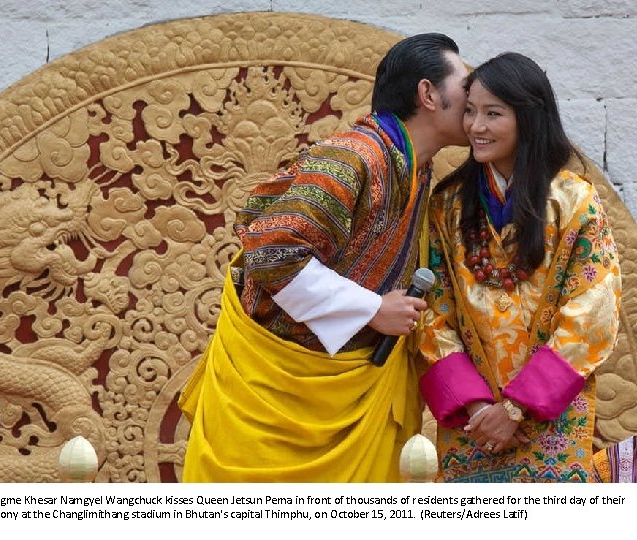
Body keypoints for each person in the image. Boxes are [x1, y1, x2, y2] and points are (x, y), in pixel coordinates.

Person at [178, 33, 470, 481]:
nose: (474, 102)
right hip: (275, 401)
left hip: (347, 389)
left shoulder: (416, 167)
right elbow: (274, 254)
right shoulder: (352, 157)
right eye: (465, 87)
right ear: (429, 94)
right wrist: (373, 309)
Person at [418, 52, 621, 482]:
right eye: (470, 111)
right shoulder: (447, 206)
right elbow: (434, 312)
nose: (476, 126)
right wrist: (477, 406)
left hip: (550, 417)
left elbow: (592, 314)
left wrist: (515, 408)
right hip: (472, 424)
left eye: (493, 114)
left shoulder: (573, 202)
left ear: (528, 118)